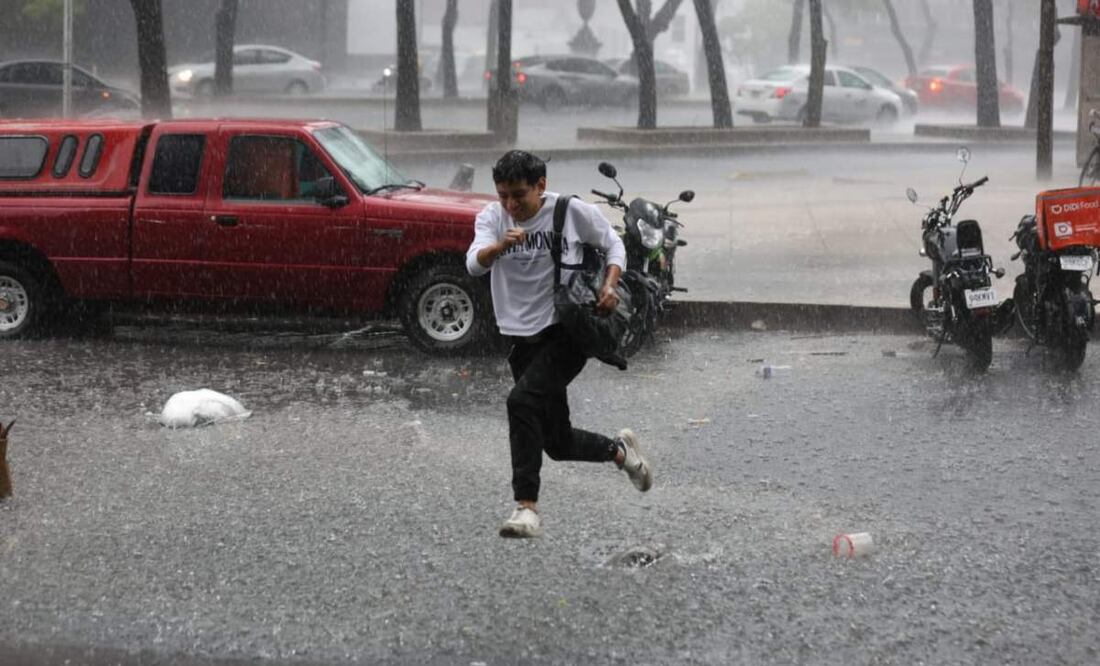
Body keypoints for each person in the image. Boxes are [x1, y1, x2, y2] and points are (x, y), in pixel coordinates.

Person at [466, 150, 652, 539]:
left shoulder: (569, 212)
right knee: (557, 441)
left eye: (519, 195)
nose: (511, 205)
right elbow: (474, 264)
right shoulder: (492, 218)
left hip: (566, 332)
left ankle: (526, 509)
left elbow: (614, 246)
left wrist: (609, 284)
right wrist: (500, 245)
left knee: (521, 402)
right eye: (503, 195)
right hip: (520, 339)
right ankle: (621, 452)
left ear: (541, 186)